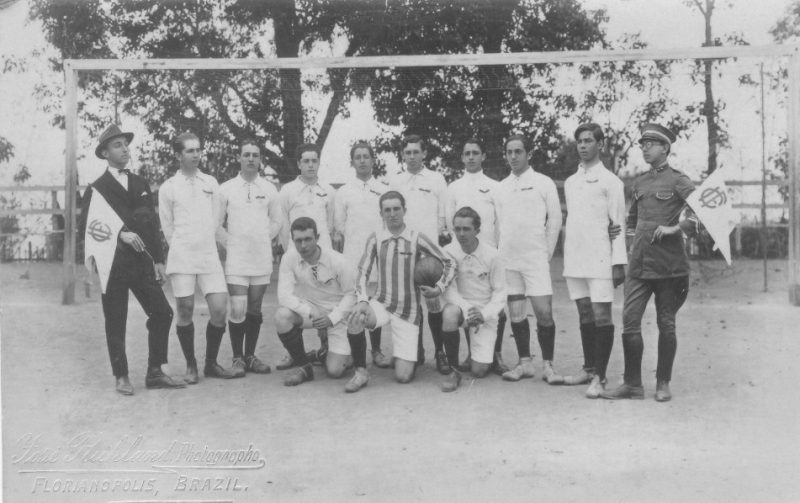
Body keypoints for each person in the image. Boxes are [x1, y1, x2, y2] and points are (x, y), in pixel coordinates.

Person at [80, 124, 185, 395]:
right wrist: (119, 235)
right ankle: (121, 375)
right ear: (104, 152)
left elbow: (151, 224)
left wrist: (159, 261)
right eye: (117, 145)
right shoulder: (96, 189)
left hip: (140, 263)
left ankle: (155, 371)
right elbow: (88, 229)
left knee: (163, 313)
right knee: (116, 319)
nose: (125, 149)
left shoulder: (140, 183)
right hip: (112, 264)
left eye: (126, 144)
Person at [602, 123, 699, 402]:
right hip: (639, 265)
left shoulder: (679, 180)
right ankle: (632, 384)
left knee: (666, 323)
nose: (644, 148)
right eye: (642, 143)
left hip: (669, 266)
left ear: (665, 148)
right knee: (629, 321)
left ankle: (663, 383)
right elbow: (631, 221)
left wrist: (675, 228)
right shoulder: (640, 183)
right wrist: (629, 244)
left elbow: (698, 215)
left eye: (651, 144)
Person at [345, 191, 456, 392]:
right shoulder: (376, 238)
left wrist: (438, 288)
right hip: (381, 303)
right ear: (381, 213)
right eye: (387, 210)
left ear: (404, 210)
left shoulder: (417, 238)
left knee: (403, 377)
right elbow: (362, 271)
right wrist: (362, 299)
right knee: (355, 317)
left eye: (397, 209)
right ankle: (360, 372)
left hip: (408, 310)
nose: (392, 213)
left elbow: (450, 261)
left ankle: (405, 355)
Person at [158, 132, 235, 383]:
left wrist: (204, 241)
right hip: (182, 256)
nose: (196, 155)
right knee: (185, 309)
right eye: (190, 151)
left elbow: (216, 218)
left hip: (208, 255)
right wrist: (182, 246)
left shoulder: (211, 183)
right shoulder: (168, 187)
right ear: (178, 155)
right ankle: (191, 365)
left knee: (220, 309)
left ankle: (211, 363)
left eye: (198, 149)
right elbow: (167, 226)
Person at [561, 123, 627, 398]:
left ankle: (600, 377)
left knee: (602, 316)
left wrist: (618, 262)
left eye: (589, 140)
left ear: (600, 145)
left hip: (601, 260)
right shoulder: (570, 182)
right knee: (584, 313)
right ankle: (589, 369)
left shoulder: (612, 182)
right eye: (579, 141)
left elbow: (618, 225)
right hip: (576, 259)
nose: (583, 145)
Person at [494, 134, 564, 384]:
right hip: (509, 261)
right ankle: (524, 363)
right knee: (516, 313)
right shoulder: (500, 187)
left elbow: (555, 221)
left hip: (535, 260)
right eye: (509, 152)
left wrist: (544, 254)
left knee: (544, 312)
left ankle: (548, 365)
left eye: (518, 151)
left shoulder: (544, 183)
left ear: (528, 154)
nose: (513, 156)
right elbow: (498, 225)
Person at [444, 138, 509, 375]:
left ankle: (496, 354)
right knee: (462, 298)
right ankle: (471, 352)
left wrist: (498, 250)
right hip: (462, 252)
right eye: (466, 153)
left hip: (488, 252)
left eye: (475, 153)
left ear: (483, 156)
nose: (470, 157)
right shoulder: (453, 187)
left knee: (495, 303)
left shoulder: (495, 186)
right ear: (462, 158)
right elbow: (452, 224)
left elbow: (502, 222)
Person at [218, 138, 281, 377]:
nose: (251, 159)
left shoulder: (269, 189)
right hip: (237, 259)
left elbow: (276, 221)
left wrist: (263, 238)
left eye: (255, 155)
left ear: (261, 160)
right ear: (239, 158)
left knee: (254, 308)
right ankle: (237, 358)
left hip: (261, 258)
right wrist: (231, 243)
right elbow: (216, 224)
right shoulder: (226, 188)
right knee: (238, 307)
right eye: (247, 155)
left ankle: (251, 355)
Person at [389, 135, 450, 373]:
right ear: (403, 155)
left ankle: (441, 352)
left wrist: (432, 245)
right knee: (408, 304)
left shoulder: (436, 179)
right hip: (404, 251)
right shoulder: (395, 180)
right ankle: (414, 352)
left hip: (428, 252)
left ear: (424, 154)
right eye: (408, 153)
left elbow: (442, 216)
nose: (412, 156)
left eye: (416, 152)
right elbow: (390, 215)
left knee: (434, 302)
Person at [274, 217, 356, 387]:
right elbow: (284, 295)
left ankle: (325, 353)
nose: (303, 245)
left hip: (337, 317)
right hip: (312, 313)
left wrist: (332, 318)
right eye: (298, 240)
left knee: (335, 371)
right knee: (282, 316)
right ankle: (304, 367)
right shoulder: (289, 258)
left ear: (317, 237)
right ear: (293, 240)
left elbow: (351, 295)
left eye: (308, 239)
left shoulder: (338, 260)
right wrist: (309, 311)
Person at [332, 141, 392, 368]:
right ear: (352, 162)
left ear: (373, 160)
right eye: (358, 157)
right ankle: (349, 350)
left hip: (376, 257)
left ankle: (376, 349)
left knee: (373, 301)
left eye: (366, 156)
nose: (363, 160)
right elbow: (339, 226)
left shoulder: (383, 189)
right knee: (352, 300)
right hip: (352, 256)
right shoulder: (344, 192)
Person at [439, 206, 506, 392]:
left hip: (484, 313)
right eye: (457, 229)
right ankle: (453, 370)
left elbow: (500, 292)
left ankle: (488, 353)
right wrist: (469, 310)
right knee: (449, 312)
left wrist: (483, 314)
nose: (461, 234)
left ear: (477, 230)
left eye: (466, 229)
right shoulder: (447, 252)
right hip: (462, 308)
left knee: (479, 371)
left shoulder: (493, 255)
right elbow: (449, 291)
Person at [278, 143, 335, 251]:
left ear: (319, 163)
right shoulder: (287, 190)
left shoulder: (329, 190)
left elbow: (330, 226)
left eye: (314, 161)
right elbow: (284, 228)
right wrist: (291, 250)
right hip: (296, 252)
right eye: (306, 161)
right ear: (299, 164)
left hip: (323, 251)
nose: (310, 165)